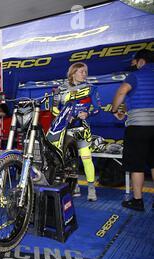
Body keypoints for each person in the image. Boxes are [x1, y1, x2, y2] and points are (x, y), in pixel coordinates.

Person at [47, 62, 102, 201]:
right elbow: (54, 110)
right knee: (68, 160)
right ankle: (74, 184)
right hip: (64, 129)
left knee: (86, 158)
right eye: (81, 71)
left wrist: (88, 114)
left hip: (82, 128)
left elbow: (97, 108)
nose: (85, 74)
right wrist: (64, 116)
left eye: (86, 71)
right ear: (73, 73)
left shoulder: (91, 89)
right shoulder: (60, 89)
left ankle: (91, 188)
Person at [111, 49, 154, 211]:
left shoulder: (136, 76)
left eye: (134, 62)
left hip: (138, 126)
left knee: (137, 165)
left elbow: (122, 91)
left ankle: (137, 201)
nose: (133, 65)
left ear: (141, 61)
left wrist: (114, 110)